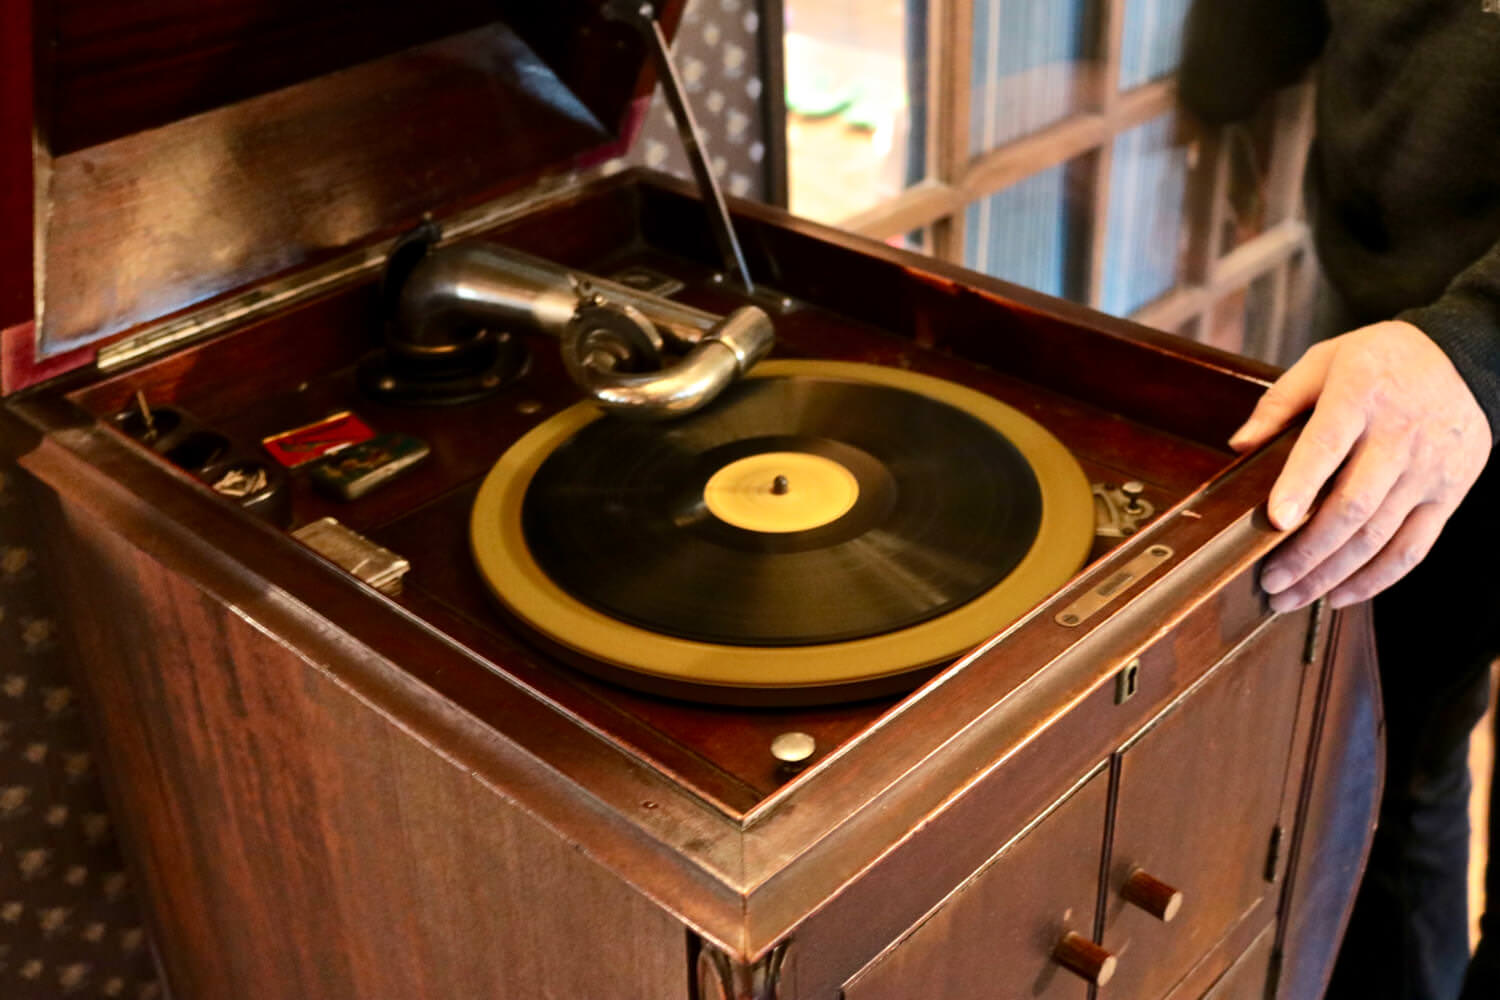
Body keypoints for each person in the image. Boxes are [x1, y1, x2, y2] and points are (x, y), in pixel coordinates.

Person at [1178, 3, 1500, 999]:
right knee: (1399, 777)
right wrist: (1213, 89)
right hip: (1388, 349)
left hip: (1456, 360)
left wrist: (1484, 337)